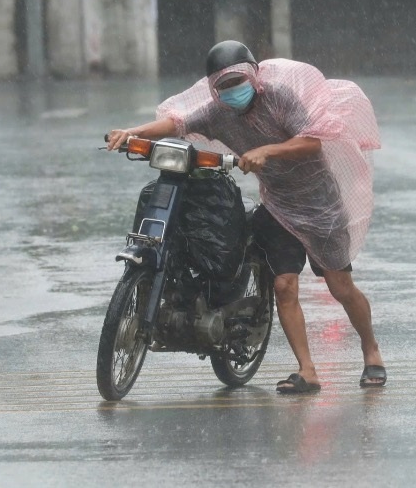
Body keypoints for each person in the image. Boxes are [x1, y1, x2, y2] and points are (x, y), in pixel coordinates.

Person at [106, 40, 387, 394]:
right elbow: (176, 124)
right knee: (284, 286)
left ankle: (371, 350)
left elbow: (312, 141)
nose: (232, 90)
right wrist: (131, 133)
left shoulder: (280, 98)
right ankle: (308, 370)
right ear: (213, 89)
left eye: (238, 81)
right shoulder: (215, 113)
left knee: (340, 287)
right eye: (223, 86)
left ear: (254, 77)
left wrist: (268, 150)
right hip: (279, 207)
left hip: (320, 205)